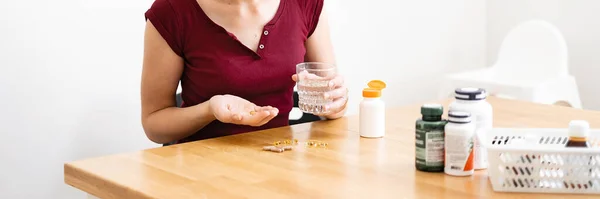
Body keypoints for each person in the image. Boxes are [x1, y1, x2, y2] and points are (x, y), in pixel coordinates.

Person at [140, 0, 348, 144]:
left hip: (280, 160)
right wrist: (210, 110)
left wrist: (335, 103)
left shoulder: (304, 4)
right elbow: (153, 123)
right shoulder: (172, 12)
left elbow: (332, 100)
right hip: (203, 170)